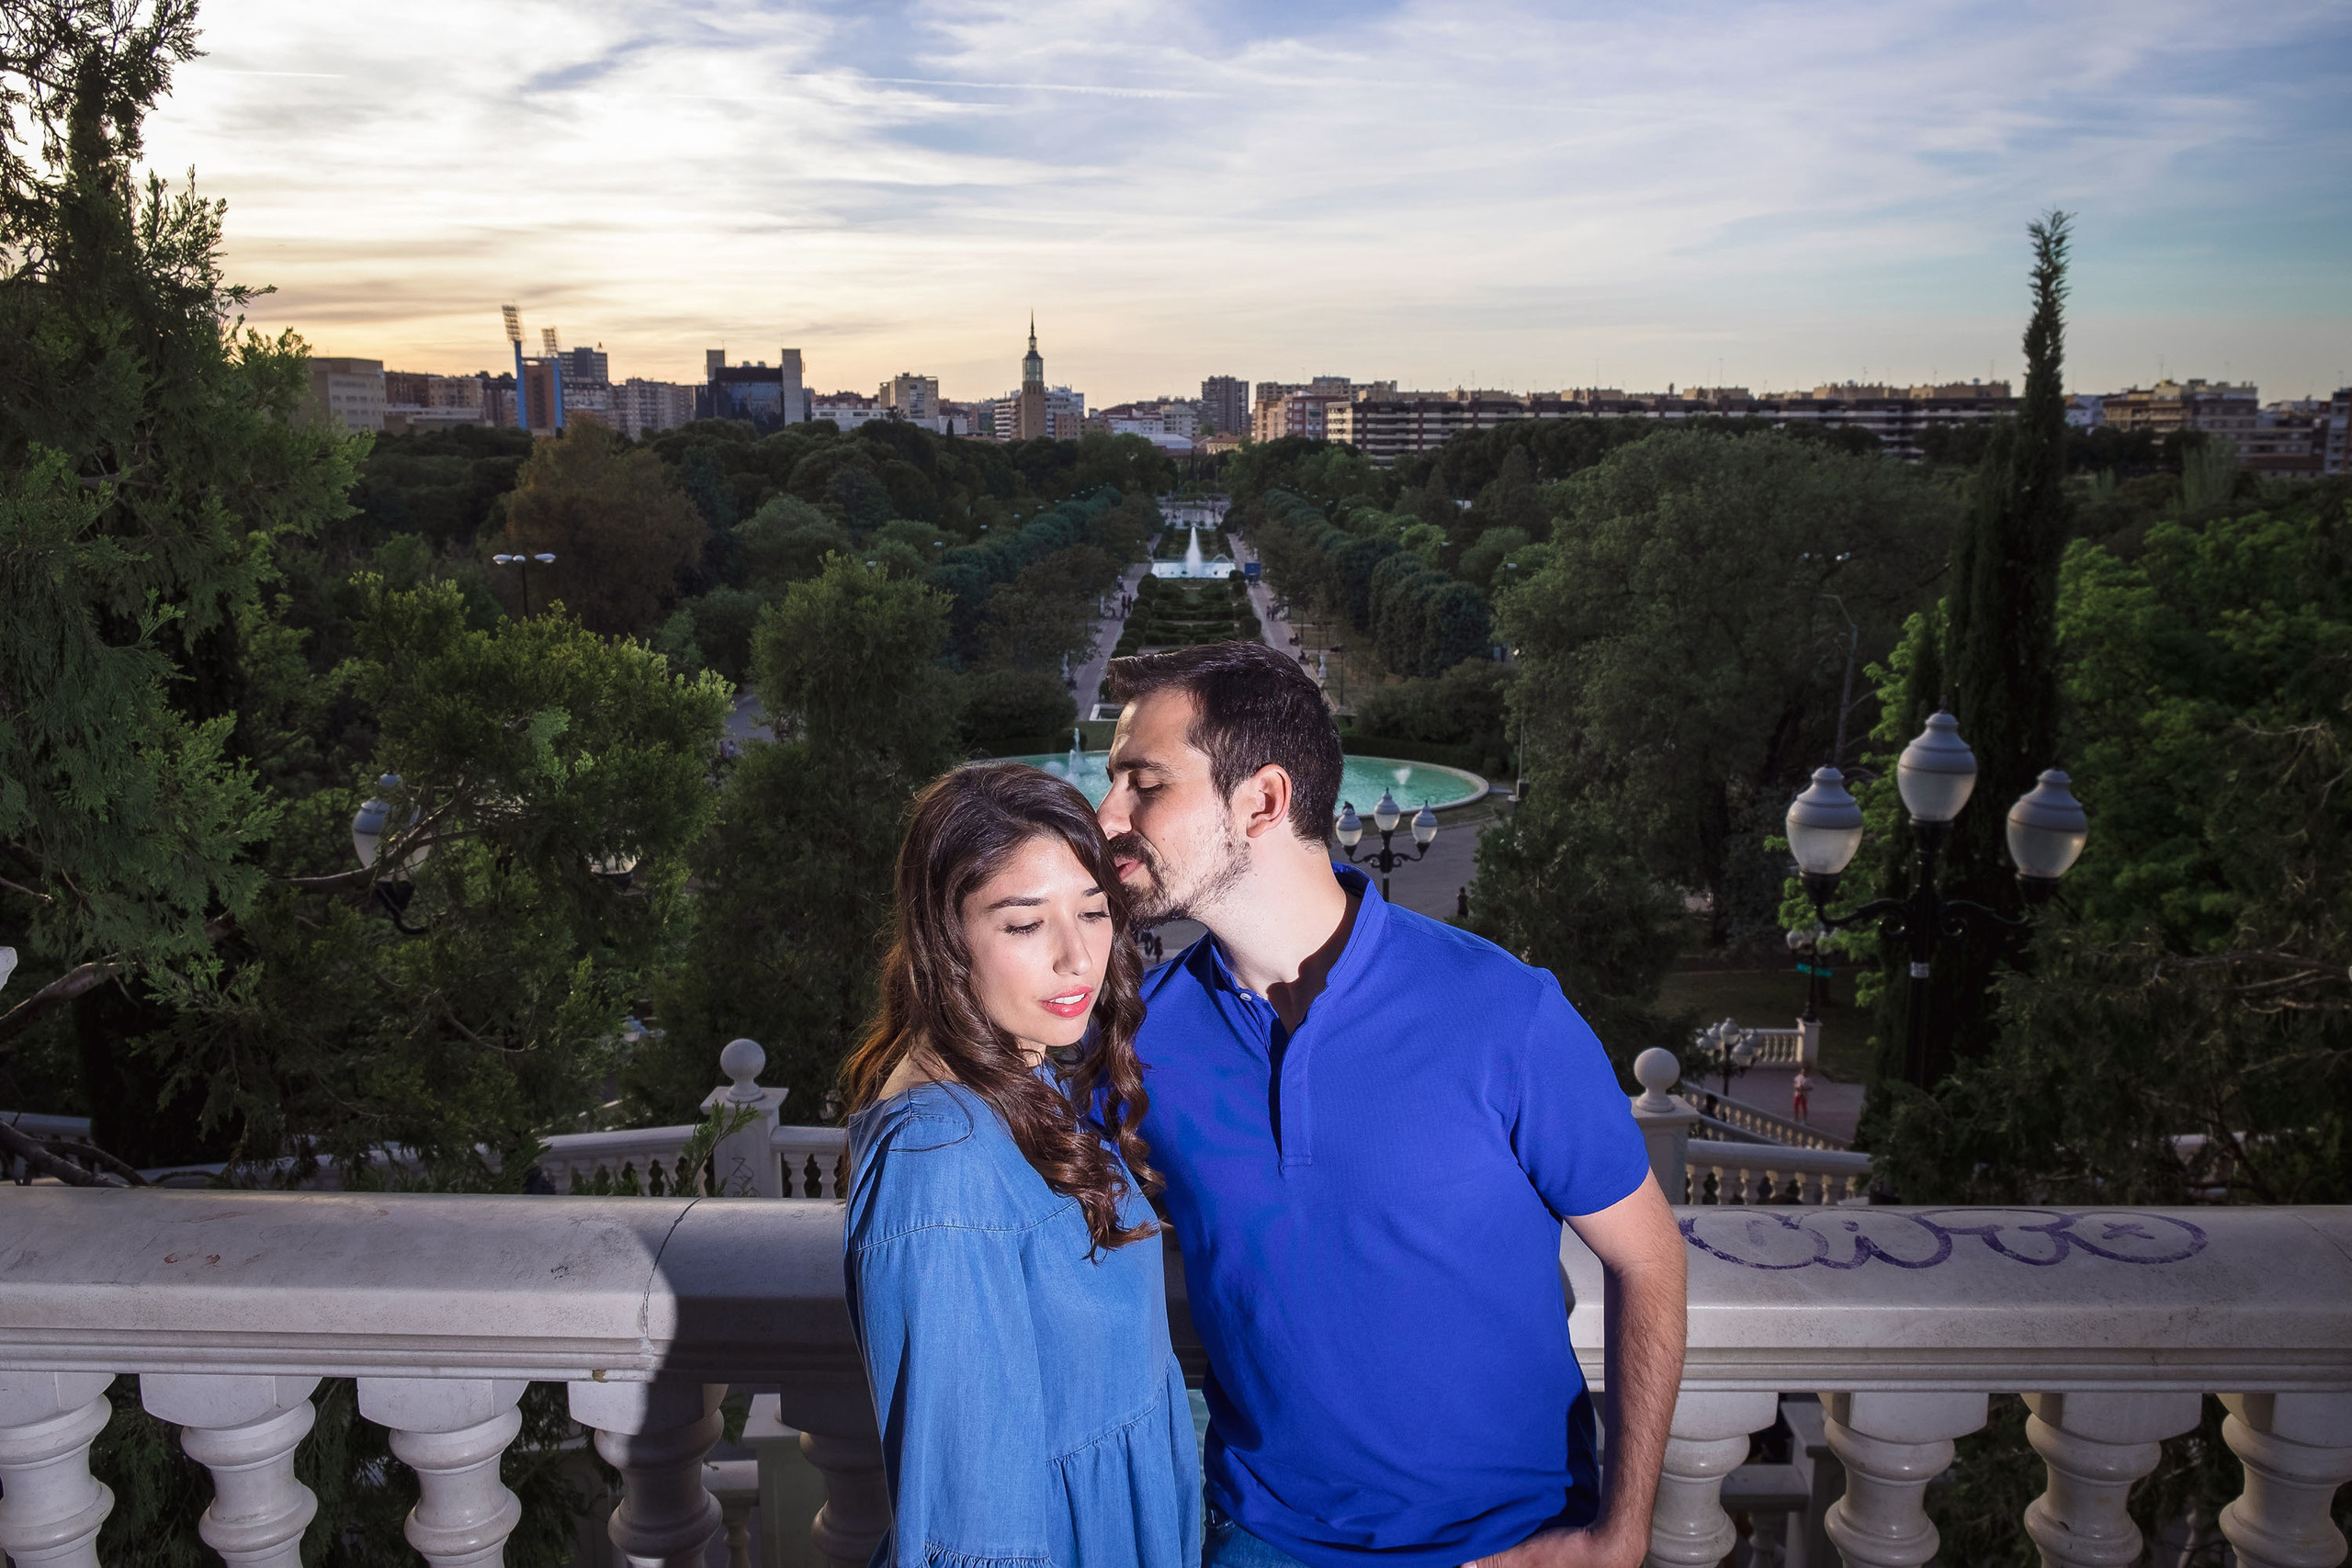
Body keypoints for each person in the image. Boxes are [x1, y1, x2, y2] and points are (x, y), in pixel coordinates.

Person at [1097, 641, 1687, 1568]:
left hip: (1511, 1541)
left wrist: (1622, 1534)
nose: (1108, 817)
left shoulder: (1505, 1011)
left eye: (1142, 783)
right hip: (1263, 1539)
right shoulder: (1139, 1040)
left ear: (1261, 800)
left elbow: (1649, 1261)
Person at [839, 764, 1201, 1568]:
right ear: (946, 935)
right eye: (1024, 924)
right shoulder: (942, 1162)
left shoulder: (1018, 1075)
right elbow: (974, 1528)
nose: (1079, 957)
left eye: (1095, 911)